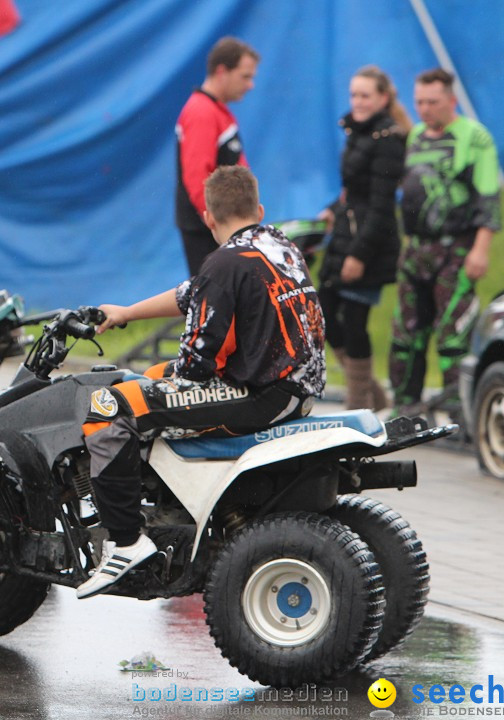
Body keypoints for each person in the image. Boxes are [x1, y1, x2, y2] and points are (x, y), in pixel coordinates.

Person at [77, 166, 325, 599]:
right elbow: (195, 293)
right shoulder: (276, 246)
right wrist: (126, 312)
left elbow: (195, 364)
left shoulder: (224, 263)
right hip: (295, 389)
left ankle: (124, 542)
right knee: (150, 379)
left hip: (260, 396)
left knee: (106, 407)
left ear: (208, 217)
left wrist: (171, 374)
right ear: (259, 209)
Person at [390, 68, 501, 417]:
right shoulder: (417, 136)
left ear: (451, 101)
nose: (425, 109)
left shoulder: (475, 137)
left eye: (432, 102)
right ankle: (405, 405)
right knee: (406, 334)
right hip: (416, 250)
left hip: (457, 249)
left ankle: (458, 411)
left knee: (453, 335)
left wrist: (480, 250)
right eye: (419, 102)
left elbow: (489, 198)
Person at [316, 66, 409, 410]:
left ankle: (357, 406)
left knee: (355, 323)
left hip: (369, 244)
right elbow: (355, 190)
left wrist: (359, 255)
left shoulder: (387, 141)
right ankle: (374, 392)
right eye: (354, 94)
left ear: (383, 99)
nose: (357, 101)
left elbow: (383, 207)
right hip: (345, 235)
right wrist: (332, 209)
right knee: (323, 313)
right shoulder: (359, 132)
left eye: (365, 95)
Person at [175, 37, 260, 276]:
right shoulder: (201, 112)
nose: (250, 85)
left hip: (226, 229)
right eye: (245, 76)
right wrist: (223, 228)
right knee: (216, 304)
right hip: (211, 232)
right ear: (222, 71)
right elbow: (197, 179)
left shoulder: (218, 111)